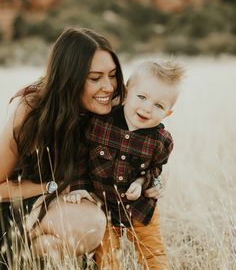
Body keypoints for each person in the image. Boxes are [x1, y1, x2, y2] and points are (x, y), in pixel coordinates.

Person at [0, 28, 160, 266]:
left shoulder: (118, 108)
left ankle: (24, 260)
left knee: (79, 229)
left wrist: (150, 182)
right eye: (95, 78)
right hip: (15, 207)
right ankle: (9, 251)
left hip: (56, 210)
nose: (108, 87)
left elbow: (153, 150)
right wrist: (54, 187)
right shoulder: (30, 109)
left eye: (113, 75)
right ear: (69, 78)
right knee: (89, 222)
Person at [65, 58, 185, 269]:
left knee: (153, 256)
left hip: (140, 209)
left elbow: (155, 168)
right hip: (103, 209)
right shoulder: (99, 123)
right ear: (127, 92)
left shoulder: (161, 140)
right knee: (108, 259)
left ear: (168, 113)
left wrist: (142, 183)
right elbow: (80, 159)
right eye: (142, 97)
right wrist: (79, 188)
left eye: (158, 105)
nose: (147, 108)